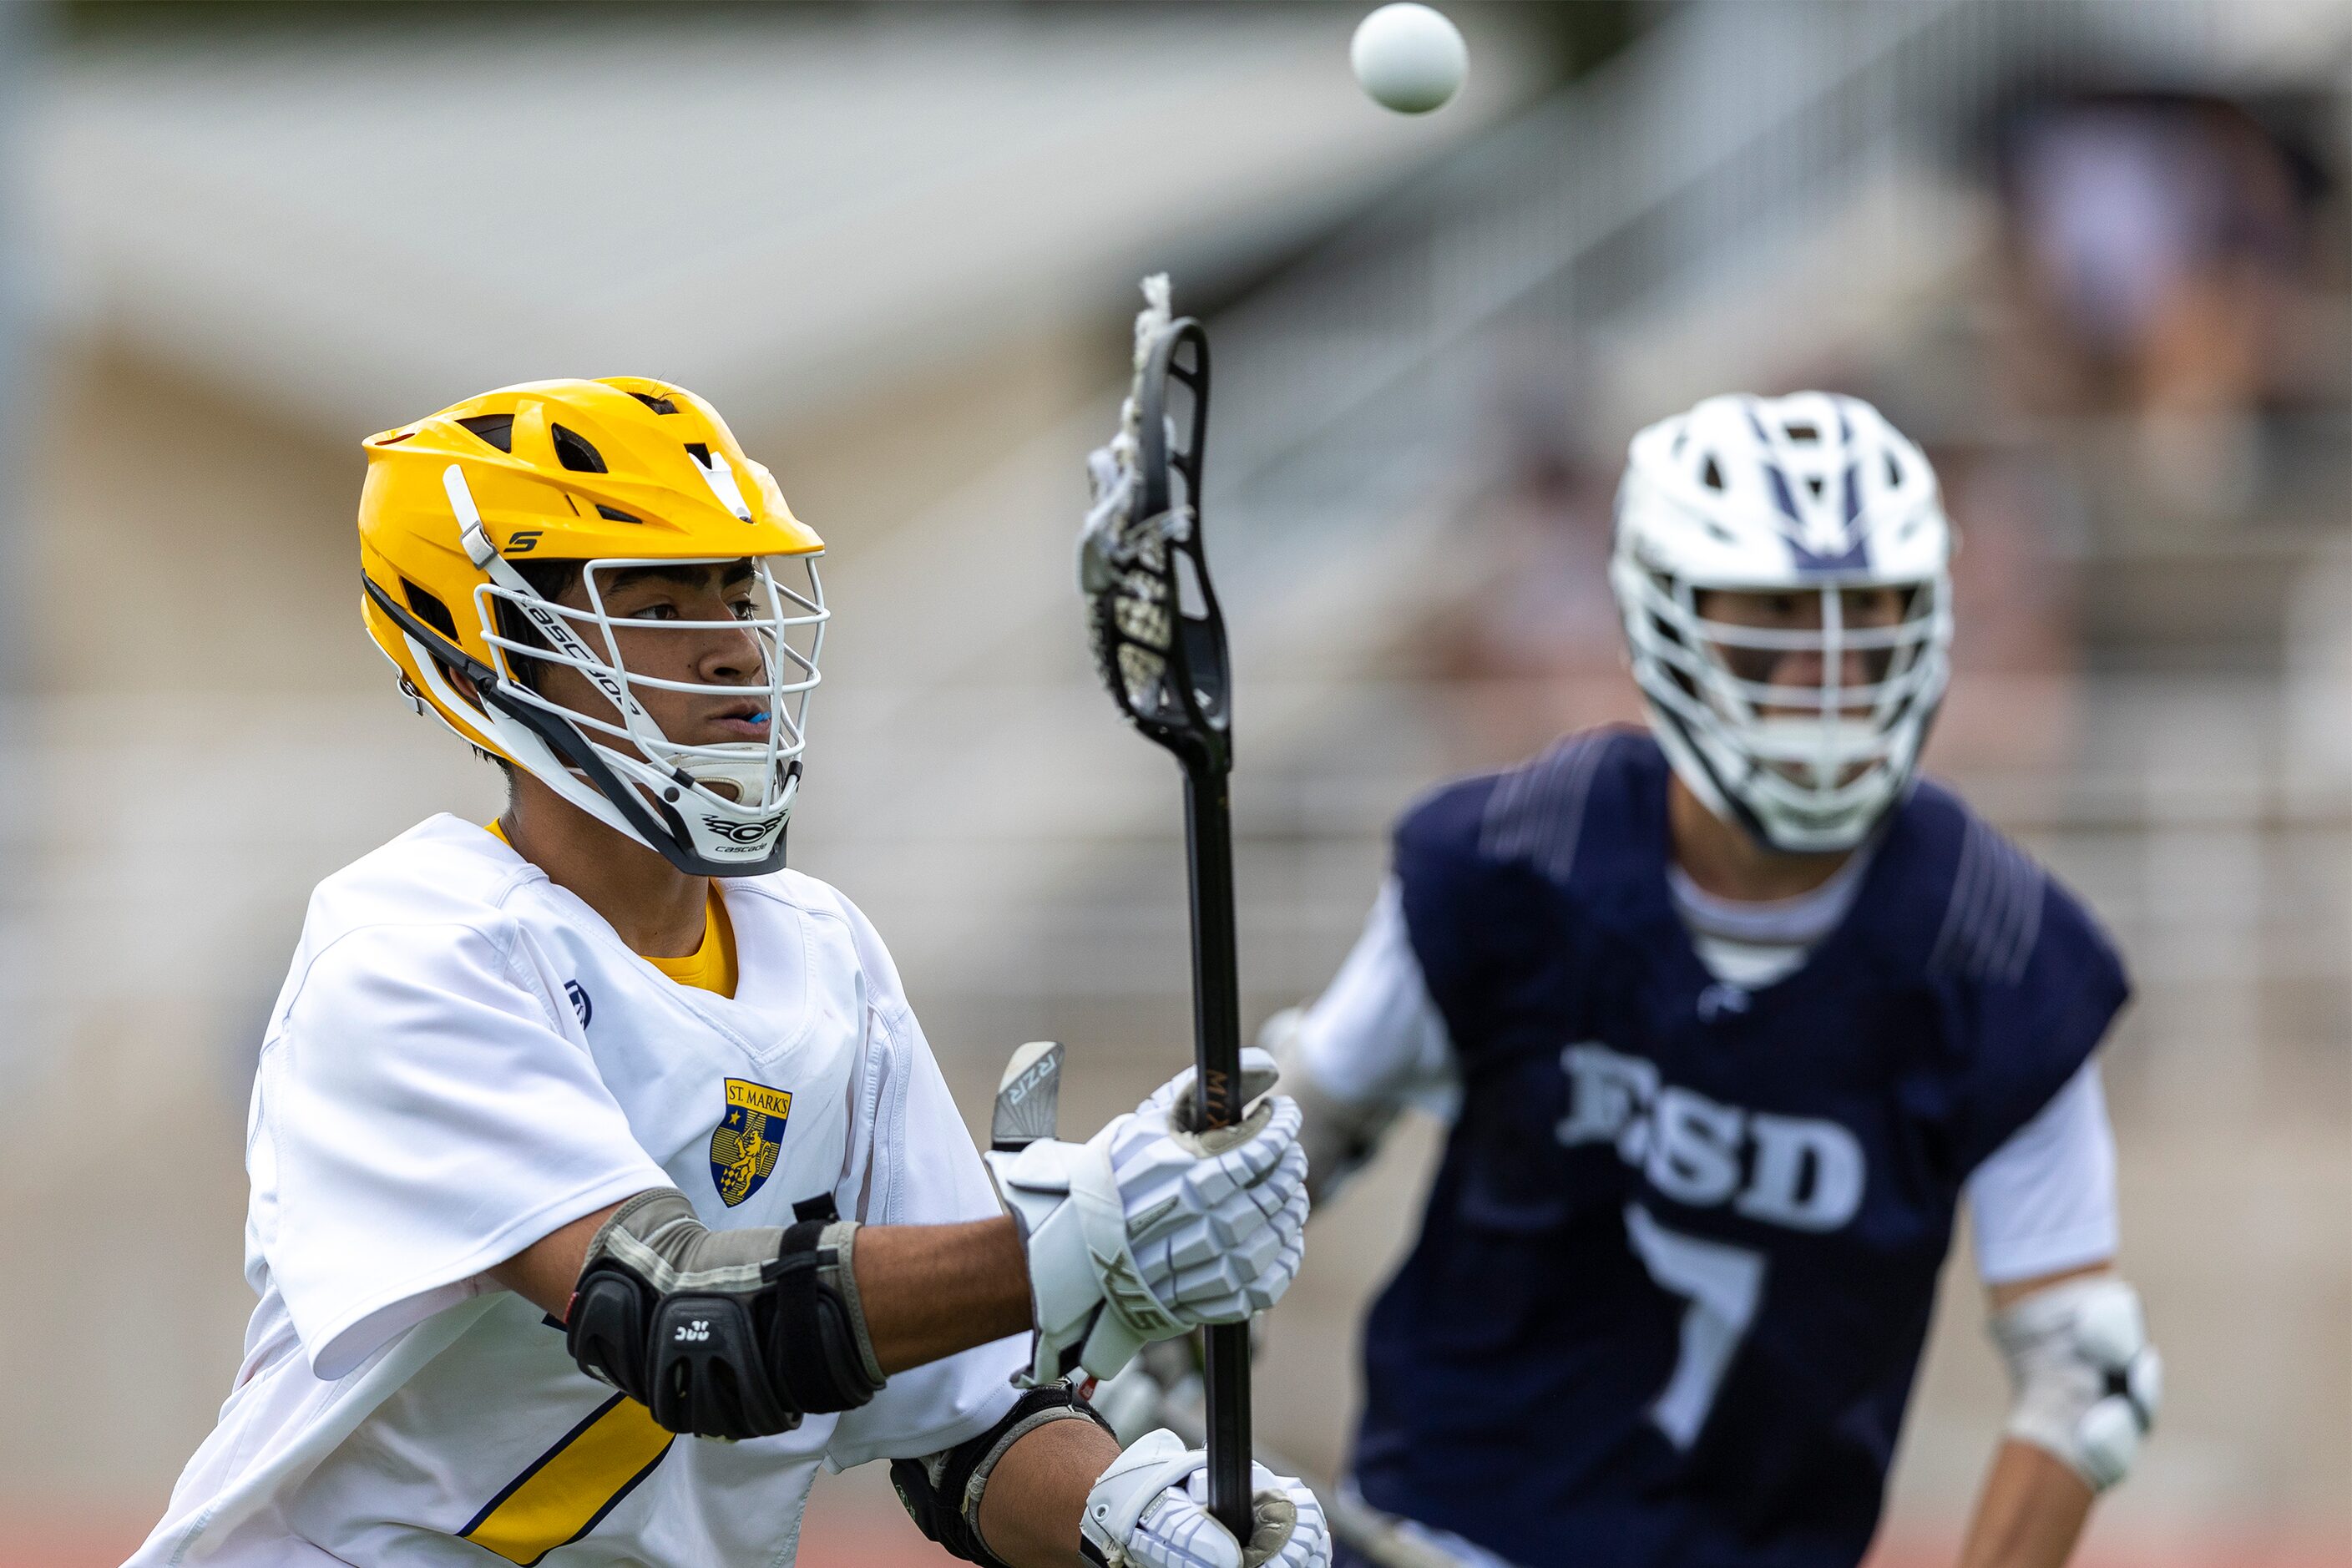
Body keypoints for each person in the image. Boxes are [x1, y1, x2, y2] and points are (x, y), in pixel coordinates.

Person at [127, 377, 1326, 1568]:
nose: (731, 649)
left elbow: (969, 1426)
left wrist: (1126, 1518)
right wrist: (1072, 1245)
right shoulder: (413, 950)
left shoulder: (824, 953)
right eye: (654, 605)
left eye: (738, 592)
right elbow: (678, 1322)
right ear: (493, 645)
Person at [1267, 393, 2160, 1568]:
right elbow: (1286, 1143)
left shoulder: (1993, 944)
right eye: (1775, 615)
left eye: (1863, 616)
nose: (1821, 672)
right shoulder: (1521, 851)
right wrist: (1139, 1345)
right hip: (1446, 1530)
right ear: (1661, 614)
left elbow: (2082, 1374)